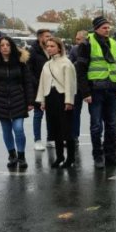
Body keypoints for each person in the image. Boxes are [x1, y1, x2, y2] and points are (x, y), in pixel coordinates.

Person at [75, 17, 116, 169]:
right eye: (104, 27)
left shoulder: (114, 44)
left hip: (111, 88)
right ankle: (98, 156)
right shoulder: (87, 44)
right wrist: (85, 93)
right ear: (96, 28)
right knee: (96, 126)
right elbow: (81, 70)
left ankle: (111, 155)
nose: (107, 30)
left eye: (108, 27)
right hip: (95, 90)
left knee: (112, 124)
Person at [0, 36, 35, 169]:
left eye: (7, 45)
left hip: (19, 99)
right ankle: (12, 155)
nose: (5, 47)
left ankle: (21, 156)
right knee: (6, 129)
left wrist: (30, 101)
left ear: (12, 46)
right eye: (2, 45)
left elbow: (27, 82)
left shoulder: (20, 62)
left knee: (18, 128)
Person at [36, 37, 77, 169]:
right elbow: (42, 83)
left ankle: (70, 158)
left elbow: (70, 83)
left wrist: (69, 101)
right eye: (47, 46)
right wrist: (42, 100)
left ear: (59, 47)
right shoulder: (46, 65)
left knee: (66, 129)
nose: (49, 48)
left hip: (62, 96)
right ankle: (59, 156)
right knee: (54, 129)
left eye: (52, 46)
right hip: (50, 97)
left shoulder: (66, 63)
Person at [28, 29, 53, 151]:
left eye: (50, 36)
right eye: (47, 36)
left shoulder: (52, 50)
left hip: (52, 88)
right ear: (40, 38)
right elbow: (29, 71)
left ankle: (50, 138)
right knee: (38, 115)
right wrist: (38, 84)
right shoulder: (33, 51)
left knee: (51, 114)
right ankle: (37, 140)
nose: (49, 38)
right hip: (38, 88)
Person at [68, 30, 88, 144]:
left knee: (96, 114)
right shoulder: (74, 49)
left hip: (88, 84)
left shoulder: (91, 49)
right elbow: (69, 65)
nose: (76, 41)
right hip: (77, 85)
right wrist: (78, 63)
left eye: (78, 39)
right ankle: (74, 136)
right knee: (75, 111)